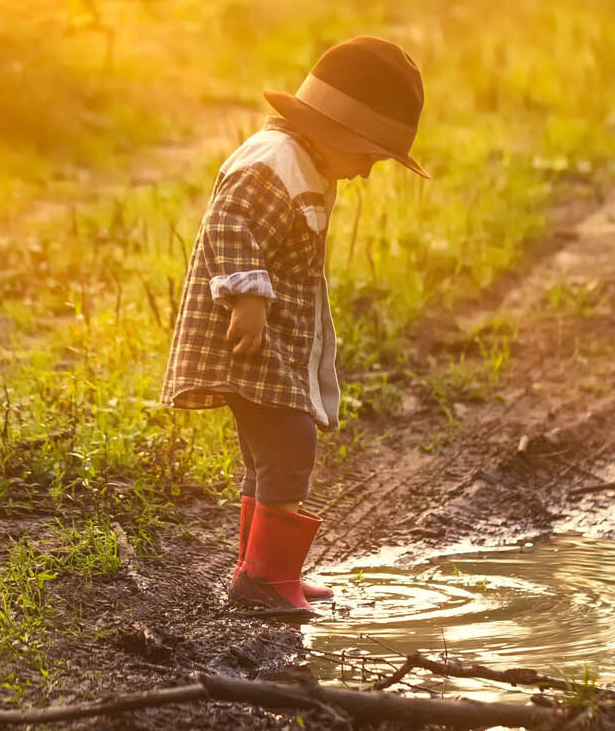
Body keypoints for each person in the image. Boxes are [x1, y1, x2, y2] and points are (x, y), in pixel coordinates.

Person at [160, 36, 429, 610]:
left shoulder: (303, 160)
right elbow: (228, 223)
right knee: (289, 445)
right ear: (340, 133)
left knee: (270, 453)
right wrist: (248, 298)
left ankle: (259, 569)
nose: (365, 174)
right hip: (250, 336)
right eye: (370, 157)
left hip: (268, 339)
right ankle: (263, 581)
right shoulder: (273, 163)